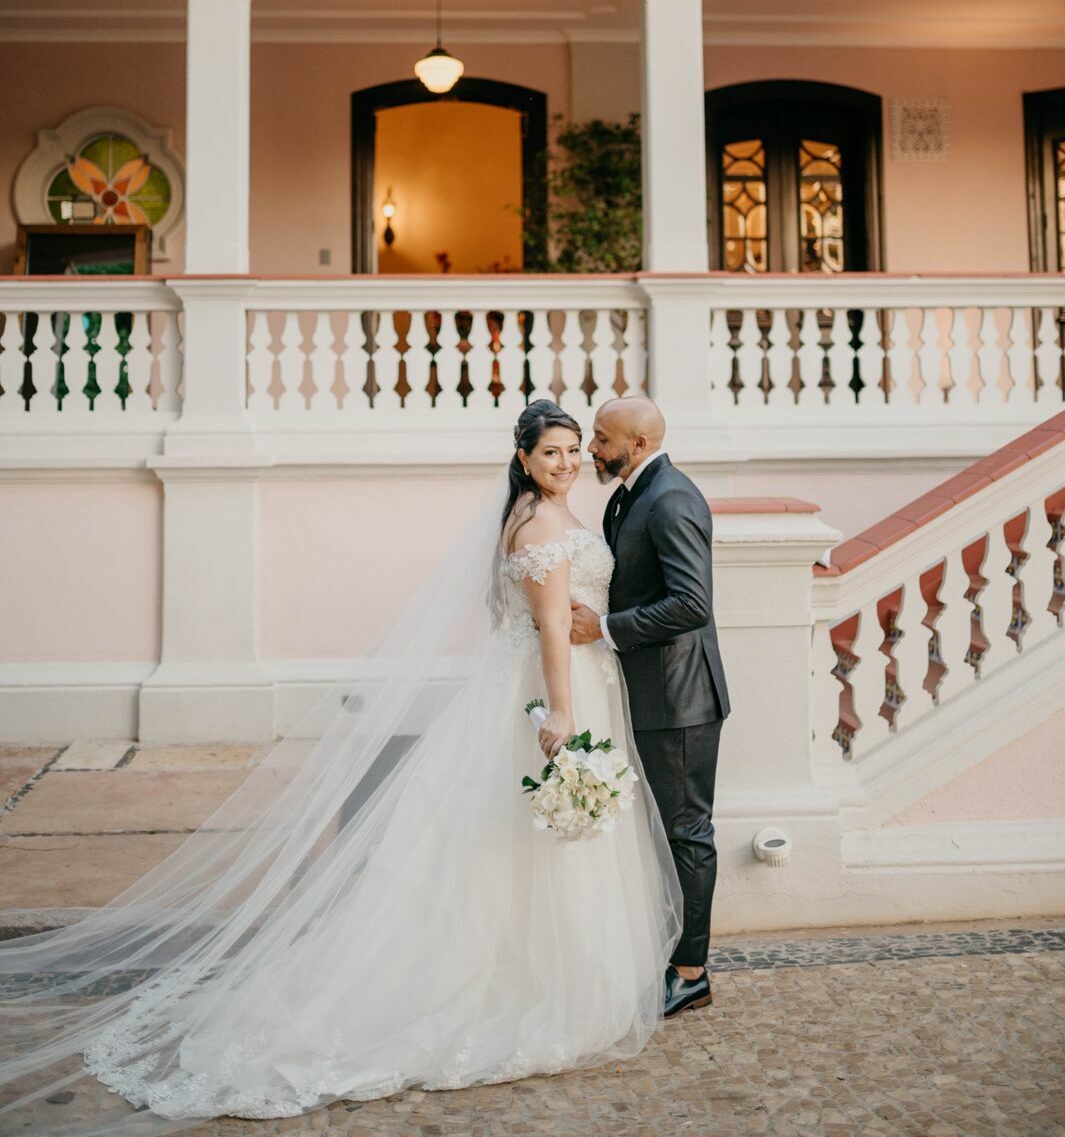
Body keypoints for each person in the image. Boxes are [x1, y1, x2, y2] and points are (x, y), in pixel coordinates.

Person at [0, 399, 680, 1130]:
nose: (569, 461)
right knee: (526, 840)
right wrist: (562, 711)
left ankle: (553, 972)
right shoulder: (543, 524)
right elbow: (549, 623)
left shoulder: (541, 515)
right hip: (555, 693)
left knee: (511, 838)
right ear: (522, 460)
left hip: (561, 684)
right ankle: (534, 983)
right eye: (552, 451)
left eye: (576, 448)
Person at [571, 397, 729, 1017]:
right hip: (645, 692)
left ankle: (691, 972)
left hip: (681, 698)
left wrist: (604, 629)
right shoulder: (628, 494)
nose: (591, 448)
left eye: (601, 439)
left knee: (687, 834)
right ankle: (663, 951)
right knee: (657, 835)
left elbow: (692, 604)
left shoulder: (672, 499)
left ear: (635, 445)